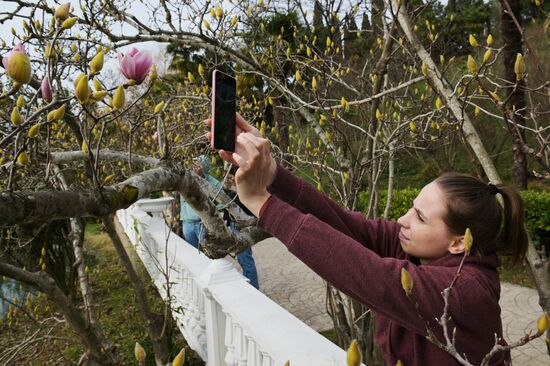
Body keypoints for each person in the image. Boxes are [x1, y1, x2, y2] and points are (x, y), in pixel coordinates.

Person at [210, 114, 528, 366]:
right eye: (411, 208)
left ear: (459, 242)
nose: (403, 220)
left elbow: (370, 275)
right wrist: (273, 174)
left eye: (419, 217)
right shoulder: (419, 251)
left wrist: (263, 205)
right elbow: (347, 226)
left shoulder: (465, 291)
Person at [180, 156, 260, 289]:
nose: (193, 168)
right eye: (192, 165)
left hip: (220, 225)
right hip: (188, 224)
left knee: (243, 258)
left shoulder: (214, 184)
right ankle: (205, 288)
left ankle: (254, 290)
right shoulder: (186, 183)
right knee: (196, 260)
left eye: (197, 165)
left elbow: (223, 205)